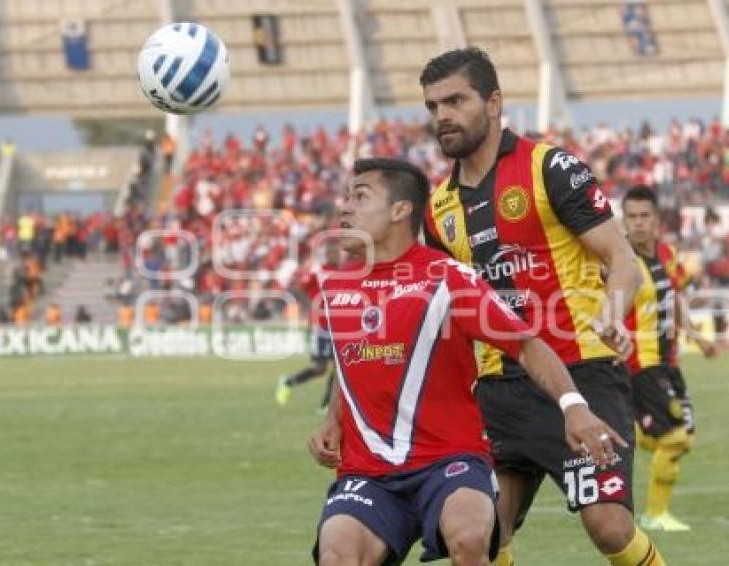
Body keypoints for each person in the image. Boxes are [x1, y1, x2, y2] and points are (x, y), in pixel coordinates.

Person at [308, 158, 625, 566]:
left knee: (471, 532)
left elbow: (527, 344)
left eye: (360, 196)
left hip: (449, 462)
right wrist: (333, 418)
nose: (344, 208)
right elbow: (350, 362)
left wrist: (573, 406)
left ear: (400, 210)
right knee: (337, 554)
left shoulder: (447, 278)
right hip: (367, 472)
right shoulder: (336, 287)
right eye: (346, 197)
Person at [420, 48, 663, 566]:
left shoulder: (550, 168)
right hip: (498, 388)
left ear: (493, 103)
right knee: (477, 536)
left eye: (455, 100)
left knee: (609, 526)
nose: (442, 115)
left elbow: (622, 257)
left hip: (581, 372)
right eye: (433, 105)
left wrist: (611, 311)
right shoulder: (438, 209)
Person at [621, 185, 717, 531]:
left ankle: (630, 426)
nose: (639, 223)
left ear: (657, 220)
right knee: (675, 436)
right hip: (640, 364)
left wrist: (695, 335)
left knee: (682, 439)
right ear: (623, 221)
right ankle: (654, 514)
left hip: (669, 363)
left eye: (645, 216)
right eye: (632, 217)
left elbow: (673, 299)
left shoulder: (667, 253)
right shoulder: (618, 261)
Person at [275, 242, 341, 410]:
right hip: (322, 326)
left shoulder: (344, 273)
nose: (337, 255)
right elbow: (301, 287)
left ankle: (326, 406)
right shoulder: (319, 273)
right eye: (333, 252)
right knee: (320, 369)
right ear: (327, 254)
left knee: (340, 368)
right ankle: (288, 382)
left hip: (340, 326)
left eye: (338, 252)